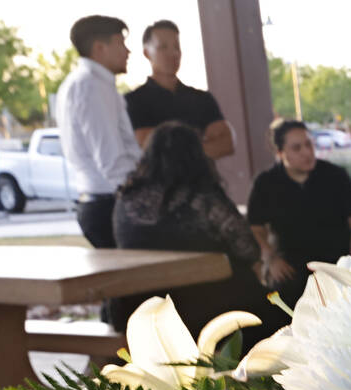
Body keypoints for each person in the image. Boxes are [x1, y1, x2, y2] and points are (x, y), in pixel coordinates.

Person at [113, 122, 266, 341]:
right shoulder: (202, 196)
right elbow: (249, 249)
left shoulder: (126, 198)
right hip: (202, 305)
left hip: (137, 307)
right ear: (196, 155)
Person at [247, 119, 351, 329]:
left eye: (309, 145)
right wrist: (270, 258)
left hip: (336, 263)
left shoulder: (335, 176)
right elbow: (254, 228)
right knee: (273, 306)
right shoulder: (266, 183)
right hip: (292, 267)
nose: (306, 152)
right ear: (280, 152)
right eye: (296, 148)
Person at [56, 15, 142, 250]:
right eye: (120, 43)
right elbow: (111, 159)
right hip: (111, 204)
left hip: (105, 202)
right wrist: (143, 200)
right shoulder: (91, 86)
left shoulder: (86, 83)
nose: (128, 51)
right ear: (99, 48)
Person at [124, 20, 234, 160]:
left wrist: (171, 147)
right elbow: (146, 146)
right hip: (158, 182)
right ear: (146, 53)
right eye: (163, 47)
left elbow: (227, 144)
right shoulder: (134, 100)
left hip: (202, 181)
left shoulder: (202, 98)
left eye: (177, 47)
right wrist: (199, 143)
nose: (173, 53)